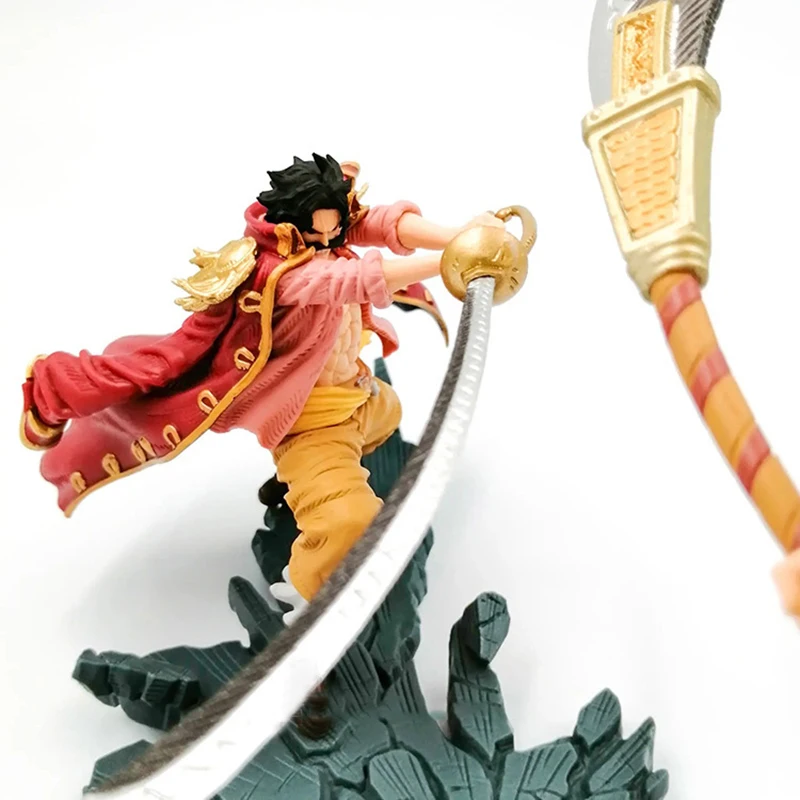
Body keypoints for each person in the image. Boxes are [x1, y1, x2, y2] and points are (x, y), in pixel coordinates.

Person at [21, 153, 500, 601]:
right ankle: (305, 595)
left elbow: (378, 221)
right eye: (317, 235)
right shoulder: (279, 274)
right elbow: (346, 282)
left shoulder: (328, 226)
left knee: (388, 414)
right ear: (292, 229)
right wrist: (454, 260)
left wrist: (458, 235)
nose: (330, 242)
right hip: (312, 424)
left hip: (360, 397)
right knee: (349, 521)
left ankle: (294, 491)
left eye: (335, 231)